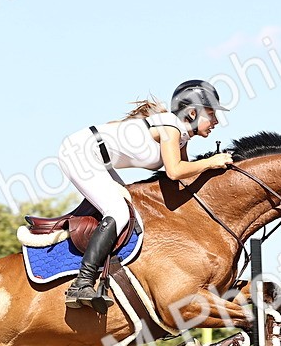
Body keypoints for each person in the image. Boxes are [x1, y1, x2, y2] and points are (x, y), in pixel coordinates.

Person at [57, 79, 234, 311]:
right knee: (119, 212)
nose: (216, 121)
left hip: (99, 160)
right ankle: (82, 283)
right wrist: (211, 162)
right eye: (211, 114)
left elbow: (184, 178)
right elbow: (174, 171)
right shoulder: (170, 128)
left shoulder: (181, 135)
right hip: (80, 153)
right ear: (192, 112)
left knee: (132, 209)